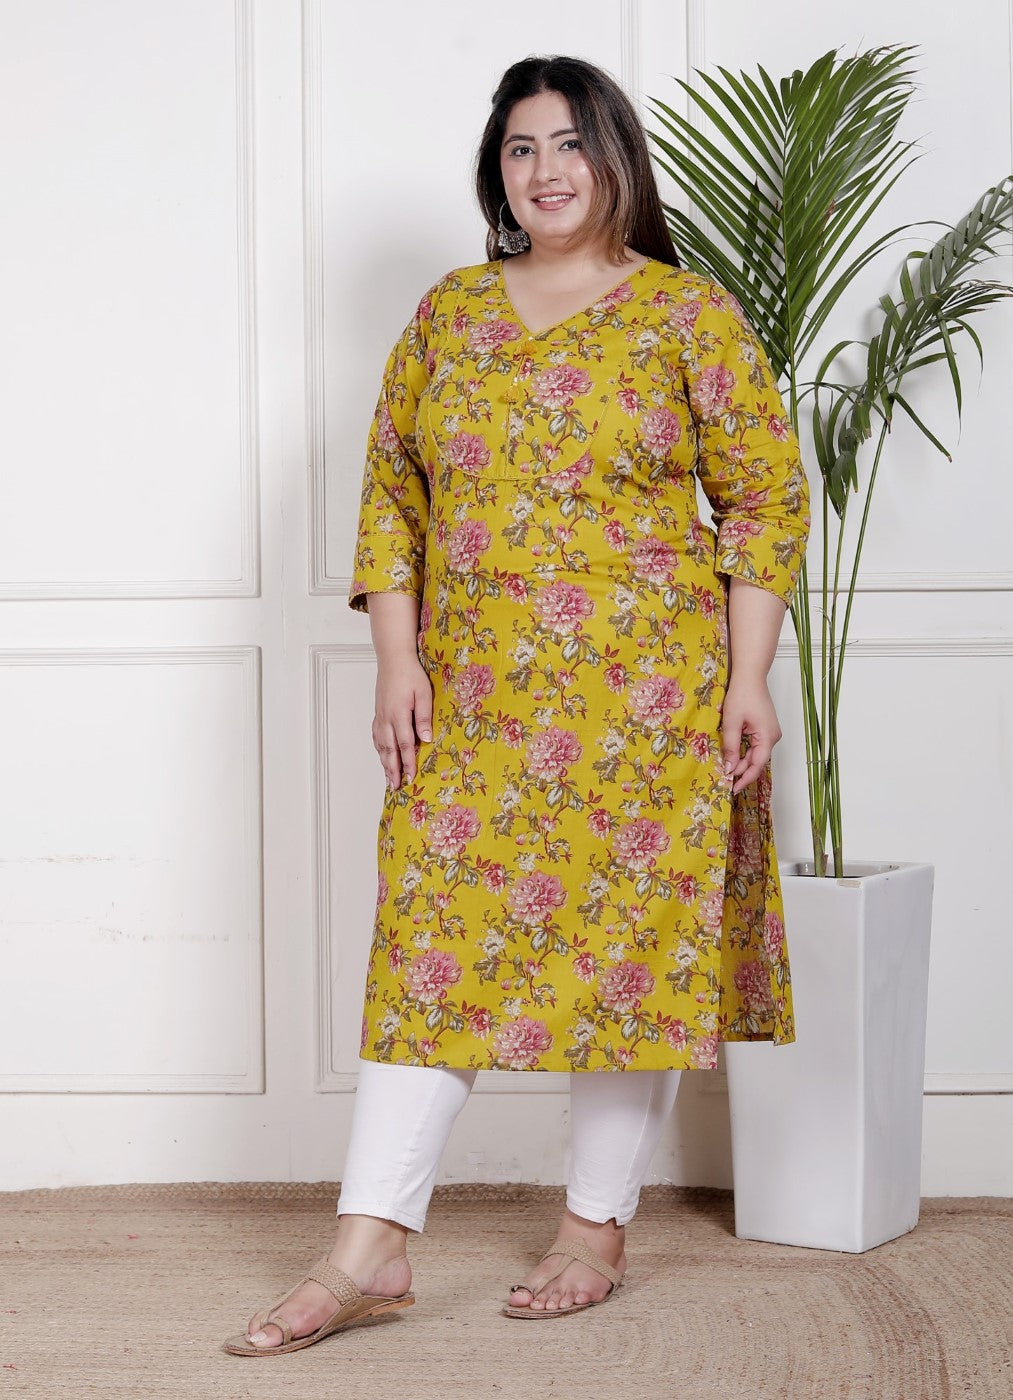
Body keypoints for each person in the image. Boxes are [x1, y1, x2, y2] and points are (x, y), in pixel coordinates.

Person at [224, 53, 809, 1357]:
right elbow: (393, 499)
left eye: (567, 144)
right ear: (497, 173)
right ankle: (368, 1244)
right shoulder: (448, 314)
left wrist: (749, 671)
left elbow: (766, 496)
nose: (543, 172)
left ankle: (594, 1230)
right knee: (430, 947)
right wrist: (396, 658)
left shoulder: (687, 317)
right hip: (474, 694)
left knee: (625, 957)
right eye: (518, 150)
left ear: (614, 159)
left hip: (646, 696)